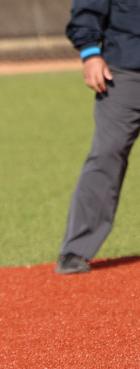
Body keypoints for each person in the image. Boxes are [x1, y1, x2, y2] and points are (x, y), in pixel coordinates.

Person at [57, 0, 140, 274]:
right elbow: (87, 10)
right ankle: (76, 250)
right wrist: (90, 54)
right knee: (107, 152)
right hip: (126, 70)